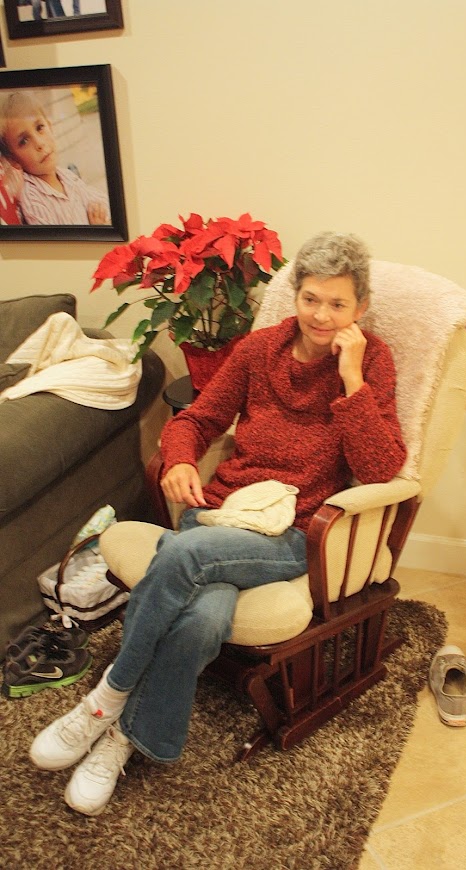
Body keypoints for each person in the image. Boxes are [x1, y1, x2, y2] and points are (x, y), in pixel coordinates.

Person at [29, 231, 408, 816]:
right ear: (295, 295)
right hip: (222, 511)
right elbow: (197, 419)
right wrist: (181, 459)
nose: (321, 315)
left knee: (182, 554)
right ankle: (127, 738)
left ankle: (107, 697)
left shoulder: (372, 361)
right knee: (203, 618)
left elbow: (381, 467)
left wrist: (353, 380)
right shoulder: (259, 351)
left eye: (338, 303)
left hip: (293, 532)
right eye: (310, 298)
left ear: (361, 307)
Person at [0, 90, 110, 226]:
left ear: (50, 127)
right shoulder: (34, 201)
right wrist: (96, 229)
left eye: (39, 127)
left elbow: (101, 203)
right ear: (13, 159)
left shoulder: (66, 176)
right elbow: (60, 240)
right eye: (24, 141)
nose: (39, 143)